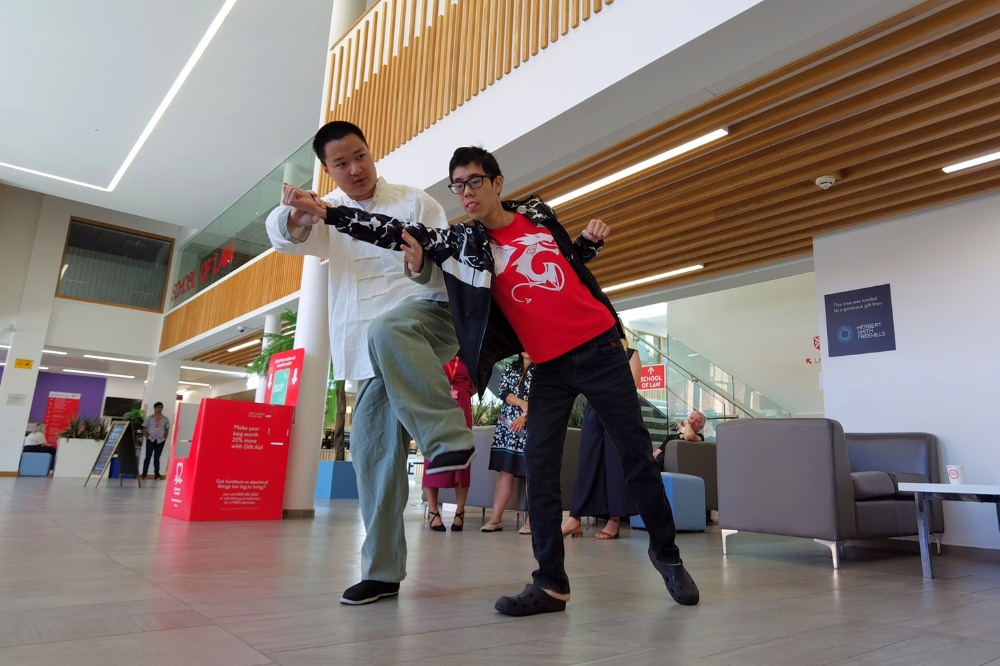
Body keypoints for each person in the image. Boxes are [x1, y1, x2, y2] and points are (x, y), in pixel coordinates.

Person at [281, 144, 700, 616]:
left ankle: (667, 557)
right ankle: (550, 584)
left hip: (602, 348)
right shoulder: (465, 242)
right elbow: (390, 229)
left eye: (474, 181)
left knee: (635, 459)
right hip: (549, 365)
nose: (466, 192)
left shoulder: (537, 212)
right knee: (540, 471)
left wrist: (587, 246)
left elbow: (566, 264)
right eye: (458, 185)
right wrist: (328, 214)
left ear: (497, 183)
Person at [265, 121, 474, 607]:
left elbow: (448, 266)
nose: (356, 169)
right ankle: (382, 574)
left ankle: (447, 439)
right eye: (342, 163)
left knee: (390, 330)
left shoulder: (415, 201)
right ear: (328, 169)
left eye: (361, 156)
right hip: (366, 351)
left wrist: (422, 262)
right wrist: (298, 214)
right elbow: (283, 237)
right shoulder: (328, 214)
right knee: (374, 459)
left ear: (371, 152)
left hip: (423, 324)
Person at [560, 334, 642, 540]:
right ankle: (575, 518)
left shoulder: (630, 354)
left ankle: (613, 520)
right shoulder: (595, 354)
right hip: (594, 410)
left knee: (614, 465)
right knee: (588, 461)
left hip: (619, 410)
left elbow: (632, 387)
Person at [481, 353, 534, 534]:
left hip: (531, 428)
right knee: (505, 471)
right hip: (507, 429)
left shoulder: (544, 371)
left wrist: (525, 416)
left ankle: (531, 522)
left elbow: (544, 400)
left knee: (532, 473)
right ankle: (496, 518)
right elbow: (504, 391)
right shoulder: (511, 368)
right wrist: (521, 403)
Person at [424, 356, 474, 532]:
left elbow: (475, 384)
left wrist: (463, 392)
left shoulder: (468, 353)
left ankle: (460, 512)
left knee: (463, 457)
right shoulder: (437, 351)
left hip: (462, 406)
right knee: (433, 455)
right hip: (438, 404)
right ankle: (433, 511)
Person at [141, 402, 170, 480]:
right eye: (158, 407)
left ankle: (157, 474)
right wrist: (147, 436)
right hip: (151, 439)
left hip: (160, 440)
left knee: (157, 458)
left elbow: (167, 429)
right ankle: (144, 474)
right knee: (147, 457)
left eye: (161, 407)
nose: (159, 409)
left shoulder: (165, 418)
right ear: (154, 408)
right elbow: (144, 428)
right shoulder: (149, 418)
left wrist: (165, 437)